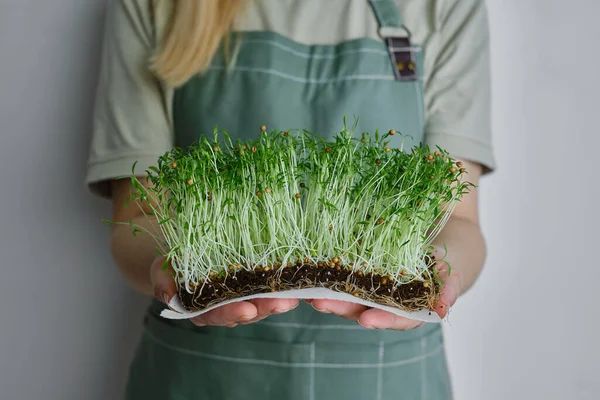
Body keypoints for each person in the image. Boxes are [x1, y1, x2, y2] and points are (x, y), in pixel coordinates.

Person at [86, 0, 495, 398]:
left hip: (386, 377)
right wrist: (169, 270)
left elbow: (457, 221)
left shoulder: (443, 4)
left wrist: (440, 273)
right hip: (202, 371)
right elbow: (139, 214)